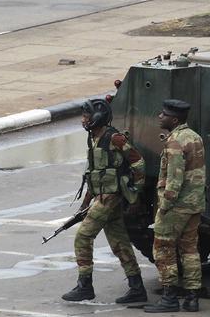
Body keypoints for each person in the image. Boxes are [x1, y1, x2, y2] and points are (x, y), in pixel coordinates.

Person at [62, 98, 147, 304]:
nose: (83, 120)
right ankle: (137, 288)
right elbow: (94, 173)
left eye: (86, 116)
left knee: (83, 237)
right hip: (102, 196)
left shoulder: (114, 138)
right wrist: (85, 202)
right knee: (120, 243)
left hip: (111, 197)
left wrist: (134, 194)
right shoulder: (94, 138)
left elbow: (138, 162)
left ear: (97, 117)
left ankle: (85, 285)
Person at [144, 99, 206, 313]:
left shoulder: (175, 142)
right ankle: (192, 297)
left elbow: (175, 178)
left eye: (164, 114)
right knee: (189, 250)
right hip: (194, 205)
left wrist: (165, 205)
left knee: (163, 248)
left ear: (175, 119)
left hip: (176, 206)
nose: (160, 117)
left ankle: (169, 297)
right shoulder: (194, 137)